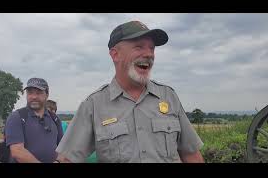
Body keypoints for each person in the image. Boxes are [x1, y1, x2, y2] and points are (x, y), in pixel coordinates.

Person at [55, 20, 204, 163]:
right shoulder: (93, 105)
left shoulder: (169, 97)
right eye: (139, 47)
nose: (149, 54)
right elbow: (67, 159)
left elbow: (191, 155)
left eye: (151, 48)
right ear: (115, 54)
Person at [5, 78, 63, 163]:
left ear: (47, 94)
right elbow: (17, 152)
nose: (34, 97)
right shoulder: (17, 117)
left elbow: (62, 148)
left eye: (38, 93)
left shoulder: (55, 118)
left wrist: (58, 161)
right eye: (30, 93)